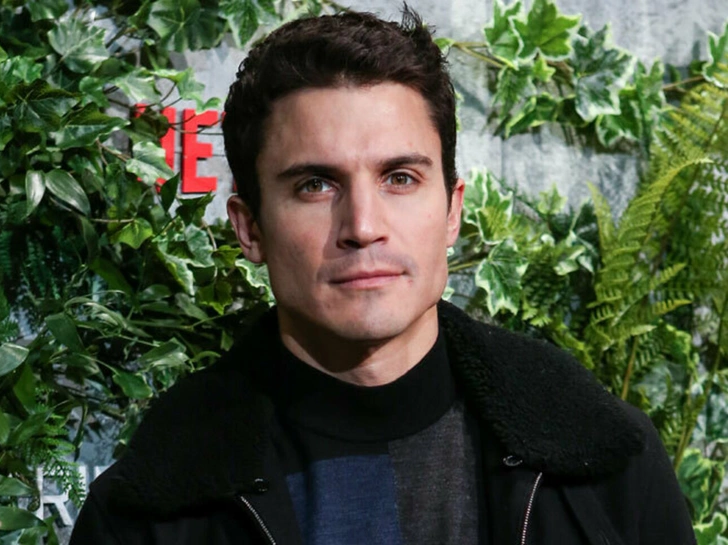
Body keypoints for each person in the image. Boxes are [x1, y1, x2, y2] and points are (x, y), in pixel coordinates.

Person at [70, 8, 696, 545]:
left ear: (452, 211)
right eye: (315, 185)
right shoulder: (142, 515)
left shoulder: (609, 465)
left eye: (400, 178)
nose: (363, 226)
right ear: (250, 228)